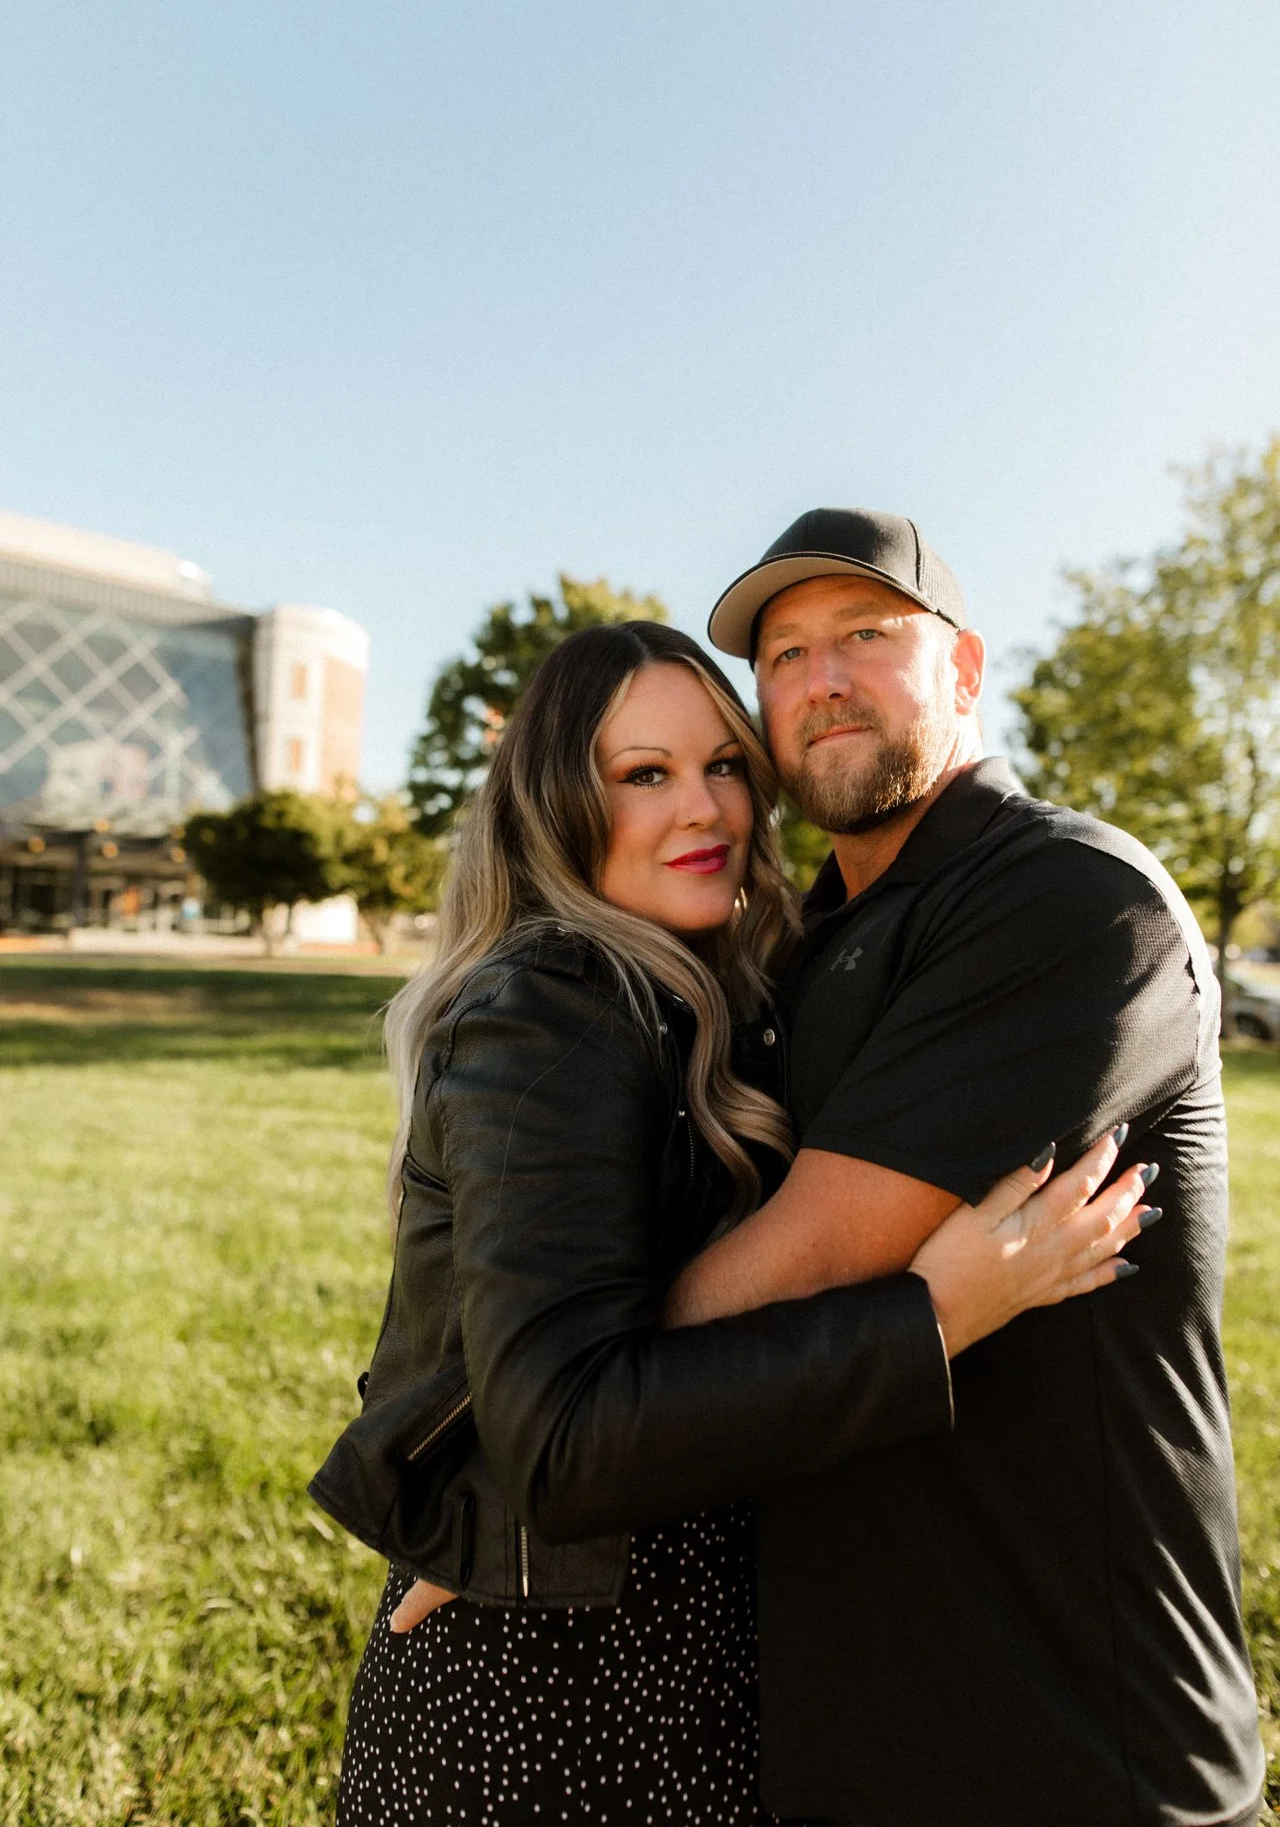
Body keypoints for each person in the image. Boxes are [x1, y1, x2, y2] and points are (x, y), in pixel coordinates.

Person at [310, 619, 1153, 1826]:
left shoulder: (704, 995)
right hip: (549, 1697)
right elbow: (564, 1435)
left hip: (686, 1659)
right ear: (555, 805)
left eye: (720, 766)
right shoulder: (551, 1005)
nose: (702, 808)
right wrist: (933, 1315)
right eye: (642, 774)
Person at [672, 506, 1265, 1827]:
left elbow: (808, 1263)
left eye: (866, 635)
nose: (821, 680)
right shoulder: (792, 947)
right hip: (849, 1729)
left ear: (965, 665)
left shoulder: (1070, 899)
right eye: (783, 656)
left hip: (1077, 1740)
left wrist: (541, 1432)